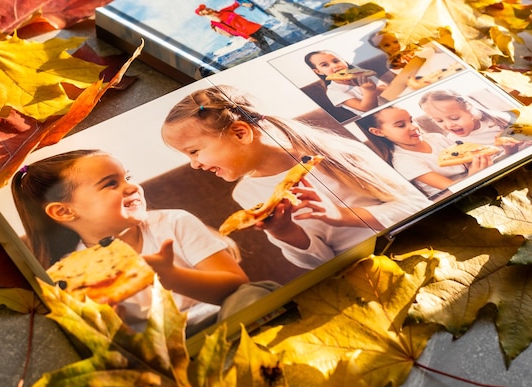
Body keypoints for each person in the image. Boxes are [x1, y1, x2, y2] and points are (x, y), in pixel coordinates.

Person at [160, 85, 431, 269]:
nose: (194, 165)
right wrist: (286, 233)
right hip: (356, 272)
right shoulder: (245, 195)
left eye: (194, 151)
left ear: (240, 133)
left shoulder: (333, 153)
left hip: (413, 247)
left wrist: (343, 216)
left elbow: (418, 205)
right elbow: (318, 263)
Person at [11, 149, 257, 335]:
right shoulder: (72, 273)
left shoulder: (173, 223)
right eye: (111, 184)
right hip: (164, 345)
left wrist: (169, 276)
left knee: (254, 293)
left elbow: (237, 286)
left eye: (127, 177)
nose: (132, 187)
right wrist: (114, 324)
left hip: (227, 318)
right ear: (64, 212)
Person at [360, 106, 492, 199]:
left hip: (477, 180)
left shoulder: (435, 137)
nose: (413, 127)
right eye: (401, 125)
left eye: (411, 121)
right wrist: (474, 174)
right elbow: (451, 188)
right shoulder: (403, 161)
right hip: (457, 195)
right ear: (378, 132)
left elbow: (467, 158)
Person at [418, 89, 532, 154]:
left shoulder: (496, 119)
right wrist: (510, 151)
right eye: (439, 120)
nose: (448, 125)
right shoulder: (454, 142)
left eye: (454, 118)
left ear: (470, 110)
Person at [304, 50, 387, 114]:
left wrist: (369, 87)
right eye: (324, 65)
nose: (335, 66)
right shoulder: (333, 91)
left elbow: (387, 91)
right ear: (318, 71)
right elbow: (367, 108)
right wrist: (368, 90)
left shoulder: (362, 73)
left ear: (344, 61)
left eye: (336, 61)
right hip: (376, 117)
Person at [196, 2, 289, 54]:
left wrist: (242, 3)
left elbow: (236, 3)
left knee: (281, 40)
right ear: (204, 14)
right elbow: (233, 31)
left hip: (258, 27)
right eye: (205, 9)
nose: (208, 8)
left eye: (207, 8)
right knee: (268, 51)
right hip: (250, 34)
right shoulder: (216, 22)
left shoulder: (224, 11)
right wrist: (247, 37)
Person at [239, 0, 332, 36]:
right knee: (290, 22)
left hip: (278, 1)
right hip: (268, 9)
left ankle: (328, 18)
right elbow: (240, 1)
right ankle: (313, 35)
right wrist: (245, 4)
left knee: (302, 9)